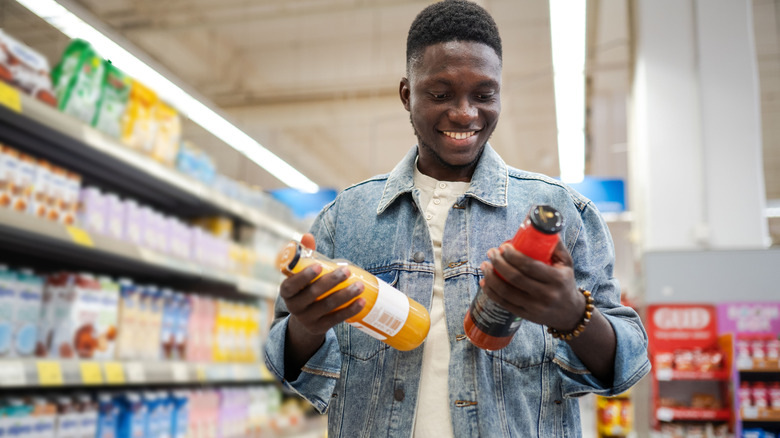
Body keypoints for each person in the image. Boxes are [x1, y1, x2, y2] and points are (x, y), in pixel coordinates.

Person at [264, 1, 650, 436]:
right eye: (441, 94)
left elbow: (627, 365)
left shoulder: (564, 214)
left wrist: (572, 314)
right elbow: (288, 366)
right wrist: (305, 325)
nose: (465, 113)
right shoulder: (346, 218)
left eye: (484, 95)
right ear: (407, 94)